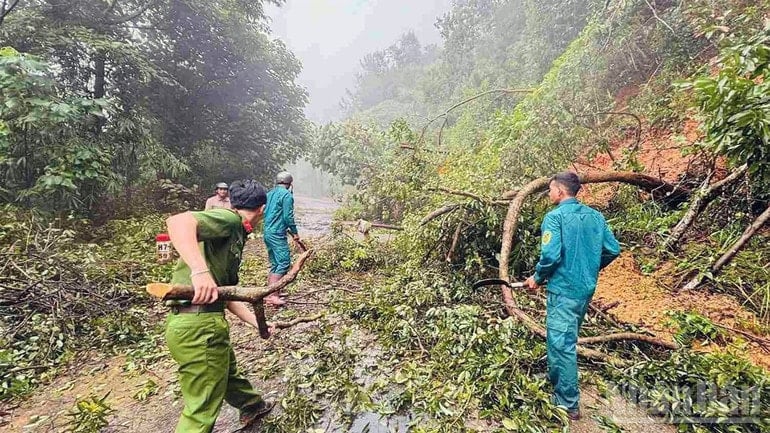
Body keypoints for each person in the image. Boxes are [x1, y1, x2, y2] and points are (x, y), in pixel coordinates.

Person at [165, 179, 275, 433]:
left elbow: (226, 295)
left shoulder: (234, 233)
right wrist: (199, 271)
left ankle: (251, 405)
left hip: (201, 322)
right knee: (202, 408)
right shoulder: (229, 220)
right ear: (262, 210)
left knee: (224, 369)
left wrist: (259, 323)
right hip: (199, 326)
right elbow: (178, 222)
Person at [524, 171, 620, 421]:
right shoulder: (595, 216)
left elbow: (550, 256)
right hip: (585, 289)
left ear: (559, 191)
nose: (549, 194)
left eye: (550, 190)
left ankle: (567, 404)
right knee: (568, 338)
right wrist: (589, 267)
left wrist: (536, 277)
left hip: (564, 291)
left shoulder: (554, 218)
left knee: (561, 344)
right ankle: (560, 380)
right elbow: (612, 249)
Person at [262, 171, 301, 307]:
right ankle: (273, 296)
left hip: (267, 231)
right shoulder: (287, 195)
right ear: (290, 183)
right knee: (284, 262)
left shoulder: (269, 194)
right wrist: (295, 233)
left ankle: (272, 292)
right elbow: (288, 217)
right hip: (277, 233)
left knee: (275, 262)